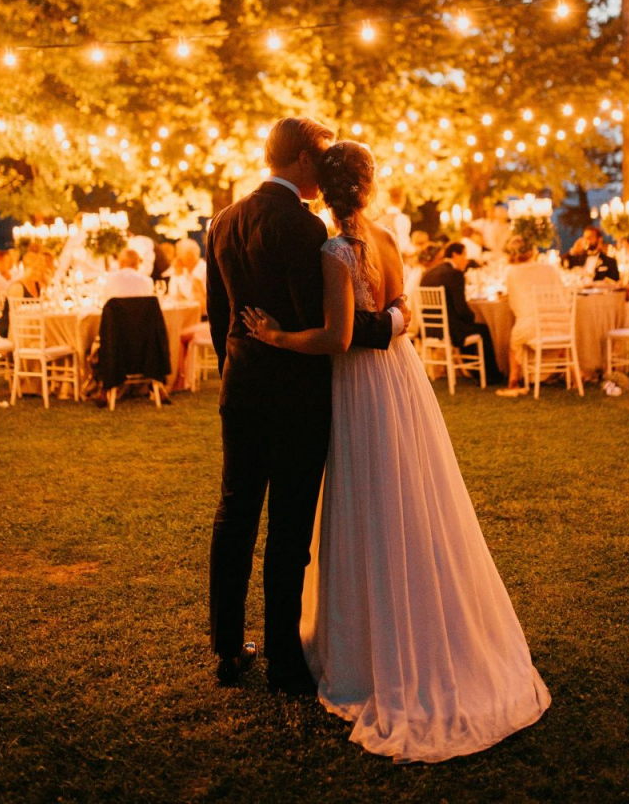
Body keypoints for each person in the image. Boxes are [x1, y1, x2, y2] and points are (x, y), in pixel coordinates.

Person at [244, 141, 550, 762]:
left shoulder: (334, 250)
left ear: (324, 188)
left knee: (370, 501)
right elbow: (401, 307)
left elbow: (338, 336)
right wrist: (395, 323)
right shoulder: (386, 238)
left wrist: (274, 335)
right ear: (369, 185)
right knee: (411, 493)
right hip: (402, 380)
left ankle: (373, 648)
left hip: (358, 385)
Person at [206, 117, 409, 696]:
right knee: (290, 529)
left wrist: (234, 378)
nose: (323, 170)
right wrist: (397, 319)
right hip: (295, 397)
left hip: (240, 390)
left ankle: (225, 648)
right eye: (318, 157)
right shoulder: (305, 227)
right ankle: (285, 661)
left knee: (234, 514)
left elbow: (220, 317)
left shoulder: (224, 220)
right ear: (299, 159)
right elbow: (324, 326)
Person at [420, 241, 501, 382]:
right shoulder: (454, 274)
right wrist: (474, 317)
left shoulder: (428, 273)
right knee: (483, 328)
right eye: (464, 255)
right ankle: (491, 376)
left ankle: (472, 371)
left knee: (468, 326)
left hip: (430, 328)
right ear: (455, 255)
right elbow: (461, 310)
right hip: (452, 330)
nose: (466, 259)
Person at [497, 236, 564, 398]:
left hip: (532, 325)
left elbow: (515, 301)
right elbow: (563, 292)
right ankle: (577, 374)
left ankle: (513, 381)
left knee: (514, 341)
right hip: (560, 322)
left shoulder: (512, 272)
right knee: (561, 339)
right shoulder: (549, 268)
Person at [168, 238, 207, 308]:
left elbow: (193, 297)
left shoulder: (203, 270)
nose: (177, 258)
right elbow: (173, 295)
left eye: (179, 254)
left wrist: (179, 275)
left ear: (190, 255)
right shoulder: (185, 270)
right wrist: (176, 274)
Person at [377, 185, 414, 257]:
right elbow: (403, 246)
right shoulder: (402, 219)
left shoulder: (379, 219)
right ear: (403, 200)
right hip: (394, 261)